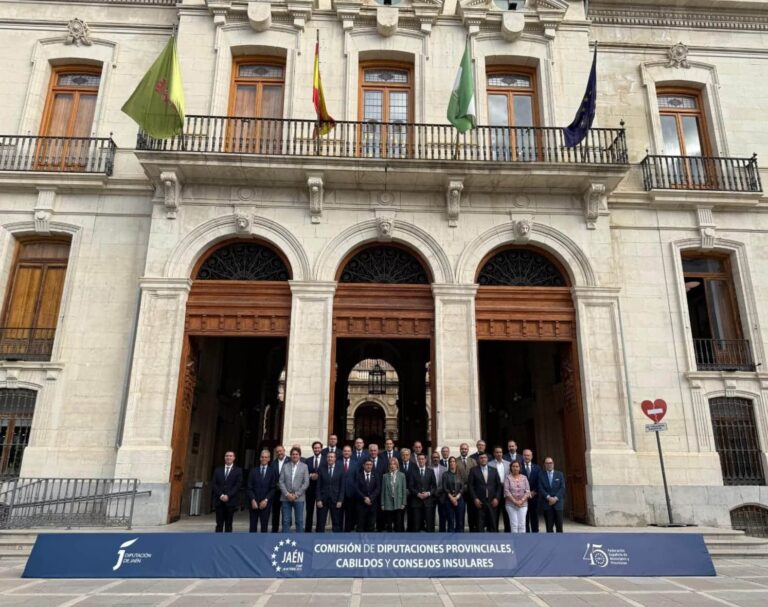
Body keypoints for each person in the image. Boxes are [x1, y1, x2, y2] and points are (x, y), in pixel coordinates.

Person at [468, 453, 502, 532]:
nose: (483, 459)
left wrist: (497, 498)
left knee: (493, 524)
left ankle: (493, 542)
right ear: (478, 460)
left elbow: (499, 485)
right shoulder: (473, 470)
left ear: (487, 459)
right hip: (479, 502)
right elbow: (471, 486)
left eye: (485, 457)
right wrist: (475, 499)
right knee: (480, 525)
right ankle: (481, 542)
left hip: (492, 501)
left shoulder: (494, 470)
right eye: (481, 458)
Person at [279, 446, 310, 532]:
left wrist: (296, 494)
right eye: (293, 454)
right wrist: (287, 494)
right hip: (285, 497)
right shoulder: (285, 466)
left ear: (300, 456)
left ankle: (300, 541)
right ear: (290, 455)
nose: (295, 456)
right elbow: (281, 481)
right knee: (285, 521)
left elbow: (306, 482)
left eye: (297, 454)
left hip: (299, 498)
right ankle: (285, 541)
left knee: (299, 521)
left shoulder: (304, 466)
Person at [211, 450, 242, 533]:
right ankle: (217, 543)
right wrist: (221, 495)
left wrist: (228, 495)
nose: (229, 457)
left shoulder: (238, 470)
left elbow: (237, 485)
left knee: (229, 524)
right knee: (219, 524)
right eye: (227, 456)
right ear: (224, 458)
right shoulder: (218, 470)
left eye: (231, 456)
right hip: (219, 501)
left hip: (230, 501)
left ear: (234, 458)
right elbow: (214, 484)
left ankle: (227, 543)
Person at [247, 449, 276, 533]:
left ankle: (263, 545)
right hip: (254, 503)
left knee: (264, 526)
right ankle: (252, 544)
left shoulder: (272, 471)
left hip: (266, 504)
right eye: (262, 457)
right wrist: (252, 500)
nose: (264, 459)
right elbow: (249, 487)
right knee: (252, 526)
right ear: (260, 458)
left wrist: (266, 500)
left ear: (269, 459)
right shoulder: (253, 471)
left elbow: (273, 488)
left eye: (266, 457)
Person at [408, 453, 437, 532]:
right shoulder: (413, 472)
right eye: (419, 459)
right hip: (416, 502)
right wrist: (418, 494)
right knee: (416, 526)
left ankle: (430, 543)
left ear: (425, 460)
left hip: (428, 502)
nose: (421, 460)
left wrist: (428, 493)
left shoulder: (430, 471)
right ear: (417, 460)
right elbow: (410, 486)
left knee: (429, 526)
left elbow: (434, 486)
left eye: (422, 459)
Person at [316, 451, 345, 532]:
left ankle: (336, 541)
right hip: (323, 500)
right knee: (321, 523)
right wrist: (318, 499)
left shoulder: (340, 469)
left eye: (332, 457)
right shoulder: (321, 468)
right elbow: (318, 486)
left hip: (335, 500)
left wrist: (340, 500)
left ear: (335, 458)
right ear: (326, 458)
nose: (330, 458)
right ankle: (319, 541)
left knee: (336, 523)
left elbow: (342, 486)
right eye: (329, 457)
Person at [539, 457, 565, 533]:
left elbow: (562, 488)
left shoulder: (559, 474)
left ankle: (560, 543)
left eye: (551, 463)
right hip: (547, 504)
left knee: (559, 527)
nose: (549, 465)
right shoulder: (541, 475)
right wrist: (549, 498)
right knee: (549, 528)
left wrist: (555, 498)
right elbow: (540, 488)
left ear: (553, 464)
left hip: (558, 504)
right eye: (547, 463)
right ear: (544, 465)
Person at [381, 456, 407, 531]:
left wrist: (403, 503)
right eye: (390, 464)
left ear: (397, 465)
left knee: (398, 523)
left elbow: (403, 490)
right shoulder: (385, 476)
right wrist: (382, 504)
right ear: (389, 466)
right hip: (388, 502)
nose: (392, 466)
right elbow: (383, 491)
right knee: (389, 523)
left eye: (394, 464)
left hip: (399, 502)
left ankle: (397, 539)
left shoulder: (402, 475)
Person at [504, 460, 531, 533]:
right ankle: (515, 541)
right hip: (510, 505)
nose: (515, 468)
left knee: (522, 524)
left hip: (523, 504)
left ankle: (522, 542)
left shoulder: (524, 478)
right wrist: (515, 502)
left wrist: (521, 501)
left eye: (517, 466)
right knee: (514, 524)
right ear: (511, 468)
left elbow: (528, 491)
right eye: (513, 466)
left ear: (520, 468)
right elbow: (506, 491)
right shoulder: (507, 478)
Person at [489, 446, 511, 532]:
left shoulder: (508, 464)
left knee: (507, 511)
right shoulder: (489, 464)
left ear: (502, 453)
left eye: (500, 452)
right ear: (494, 453)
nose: (499, 454)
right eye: (497, 452)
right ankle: (494, 531)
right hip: (494, 491)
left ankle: (508, 531)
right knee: (495, 512)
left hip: (506, 490)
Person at [304, 441, 324, 532]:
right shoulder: (307, 460)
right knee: (309, 511)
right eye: (315, 448)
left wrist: (318, 476)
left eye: (318, 448)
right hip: (310, 489)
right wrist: (309, 475)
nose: (317, 449)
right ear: (313, 449)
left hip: (321, 490)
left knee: (320, 511)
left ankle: (319, 530)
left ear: (321, 449)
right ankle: (308, 530)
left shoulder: (325, 460)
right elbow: (304, 474)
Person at [355, 458, 380, 532]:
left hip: (372, 504)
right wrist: (364, 498)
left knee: (371, 526)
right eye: (367, 465)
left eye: (370, 465)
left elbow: (378, 488)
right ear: (363, 465)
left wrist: (370, 498)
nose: (369, 466)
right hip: (361, 504)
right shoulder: (358, 475)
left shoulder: (376, 475)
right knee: (360, 525)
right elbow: (356, 489)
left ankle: (370, 543)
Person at [455, 443, 476, 532]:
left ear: (468, 450)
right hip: (460, 491)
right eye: (462, 449)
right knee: (460, 512)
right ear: (460, 450)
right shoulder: (455, 461)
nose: (464, 450)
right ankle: (460, 530)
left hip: (471, 490)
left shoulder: (473, 461)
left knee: (472, 512)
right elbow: (454, 476)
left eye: (466, 449)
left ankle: (472, 529)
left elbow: (476, 475)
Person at [442, 457, 466, 533]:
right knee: (450, 521)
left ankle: (460, 540)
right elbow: (444, 487)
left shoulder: (460, 475)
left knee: (460, 521)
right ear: (449, 463)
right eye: (450, 461)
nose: (452, 463)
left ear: (456, 463)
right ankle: (451, 541)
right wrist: (452, 498)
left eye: (453, 461)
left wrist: (457, 497)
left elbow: (462, 487)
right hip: (449, 500)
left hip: (460, 500)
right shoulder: (445, 474)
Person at [521, 449, 541, 533]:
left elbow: (540, 481)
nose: (526, 457)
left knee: (534, 516)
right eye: (525, 455)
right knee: (524, 516)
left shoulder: (537, 467)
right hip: (522, 496)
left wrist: (534, 491)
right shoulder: (519, 467)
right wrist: (525, 493)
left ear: (531, 456)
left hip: (534, 496)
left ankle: (535, 533)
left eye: (528, 455)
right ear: (522, 456)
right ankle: (526, 534)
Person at [340, 445, 358, 531]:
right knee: (338, 514)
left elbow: (357, 479)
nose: (346, 452)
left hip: (351, 494)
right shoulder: (337, 462)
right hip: (339, 493)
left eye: (348, 451)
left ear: (351, 453)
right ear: (342, 452)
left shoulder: (355, 463)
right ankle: (338, 532)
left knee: (349, 514)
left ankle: (347, 531)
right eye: (345, 451)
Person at [270, 445, 288, 532]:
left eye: (281, 451)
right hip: (276, 492)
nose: (279, 453)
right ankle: (274, 531)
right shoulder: (273, 463)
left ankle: (285, 531)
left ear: (284, 451)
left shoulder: (290, 461)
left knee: (286, 514)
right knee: (275, 513)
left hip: (287, 492)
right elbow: (271, 477)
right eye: (277, 452)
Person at [430, 451, 447, 531]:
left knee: (443, 515)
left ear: (439, 458)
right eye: (434, 457)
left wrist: (438, 491)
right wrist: (433, 491)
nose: (435, 459)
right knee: (430, 515)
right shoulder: (428, 468)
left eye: (437, 457)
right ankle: (431, 532)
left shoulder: (444, 469)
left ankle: (442, 531)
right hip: (431, 496)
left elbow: (445, 483)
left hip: (442, 495)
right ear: (431, 459)